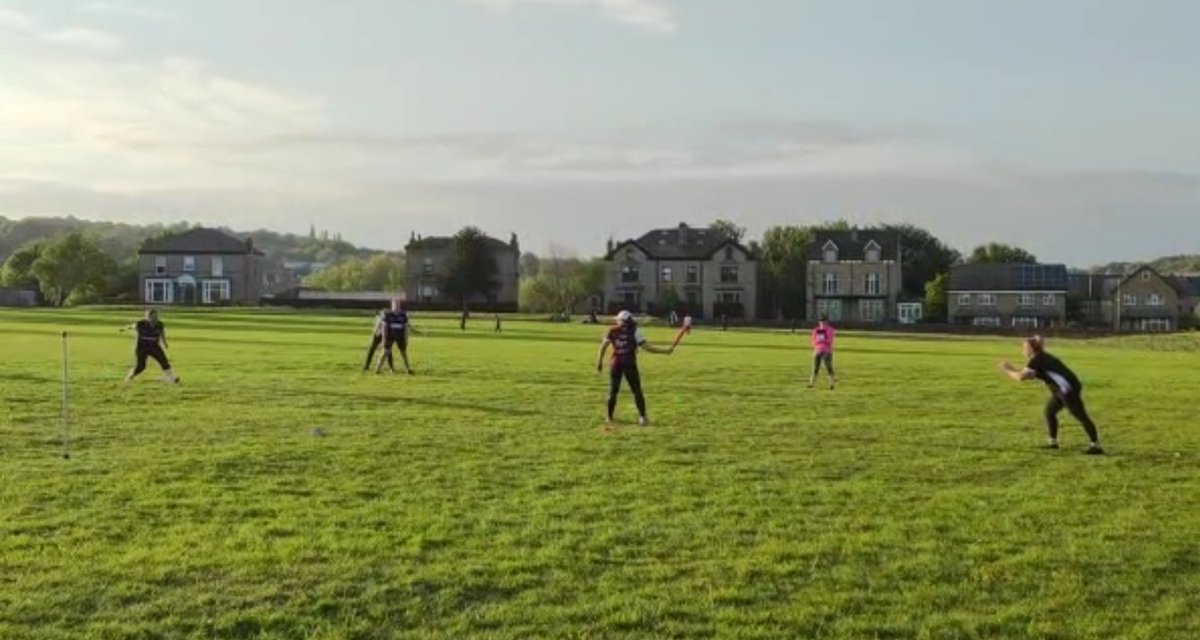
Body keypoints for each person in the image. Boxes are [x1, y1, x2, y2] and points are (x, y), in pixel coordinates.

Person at [1000, 335, 1105, 455]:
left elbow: (1020, 377)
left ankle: (1096, 446)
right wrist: (1013, 369)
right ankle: (1053, 443)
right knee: (1049, 412)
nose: (1022, 350)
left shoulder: (1037, 359)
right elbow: (1027, 375)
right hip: (1061, 390)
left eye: (1024, 347)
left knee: (1081, 416)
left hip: (1067, 390)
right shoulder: (1041, 357)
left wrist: (1007, 369)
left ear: (1030, 349)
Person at [595, 310, 674, 426]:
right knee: (636, 390)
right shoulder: (635, 331)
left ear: (621, 320)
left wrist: (599, 362)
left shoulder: (612, 331)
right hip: (629, 363)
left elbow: (603, 347)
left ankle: (609, 418)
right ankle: (642, 417)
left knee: (613, 391)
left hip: (616, 363)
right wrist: (664, 351)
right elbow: (647, 347)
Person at [120, 309, 180, 384]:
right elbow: (132, 326)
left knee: (164, 361)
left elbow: (162, 333)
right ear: (147, 317)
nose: (155, 318)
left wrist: (164, 343)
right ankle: (130, 376)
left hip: (154, 346)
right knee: (141, 366)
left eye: (156, 316)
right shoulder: (140, 324)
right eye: (152, 317)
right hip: (142, 347)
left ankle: (172, 379)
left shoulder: (160, 324)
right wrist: (124, 329)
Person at [376, 299, 416, 375]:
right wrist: (384, 338)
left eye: (398, 304)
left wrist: (406, 338)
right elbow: (384, 328)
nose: (396, 306)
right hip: (390, 336)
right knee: (385, 352)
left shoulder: (403, 315)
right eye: (395, 304)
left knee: (403, 353)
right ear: (392, 305)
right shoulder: (388, 315)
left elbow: (405, 328)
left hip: (400, 336)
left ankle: (408, 369)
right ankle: (378, 369)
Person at [808, 314, 836, 389]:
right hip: (817, 350)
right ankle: (811, 383)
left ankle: (831, 383)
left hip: (827, 351)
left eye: (823, 321)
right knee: (815, 368)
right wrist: (816, 344)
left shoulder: (830, 330)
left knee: (828, 367)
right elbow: (813, 340)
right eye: (821, 321)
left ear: (826, 322)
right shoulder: (815, 330)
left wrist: (824, 340)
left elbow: (830, 341)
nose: (822, 323)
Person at [362, 306, 387, 371]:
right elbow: (377, 326)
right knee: (372, 349)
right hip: (378, 334)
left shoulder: (382, 317)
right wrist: (375, 332)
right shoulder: (380, 317)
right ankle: (366, 365)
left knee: (386, 351)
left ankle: (391, 367)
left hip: (383, 334)